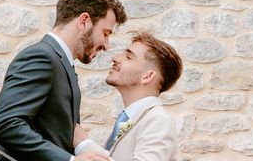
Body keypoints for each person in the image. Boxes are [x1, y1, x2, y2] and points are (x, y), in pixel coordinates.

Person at [0, 0, 128, 161]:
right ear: (84, 21)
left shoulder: (61, 62)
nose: (106, 45)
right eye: (106, 33)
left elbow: (58, 132)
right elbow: (6, 124)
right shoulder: (42, 56)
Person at [74, 32, 183, 161]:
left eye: (129, 57)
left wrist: (83, 143)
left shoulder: (158, 120)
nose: (115, 58)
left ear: (147, 76)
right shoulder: (132, 118)